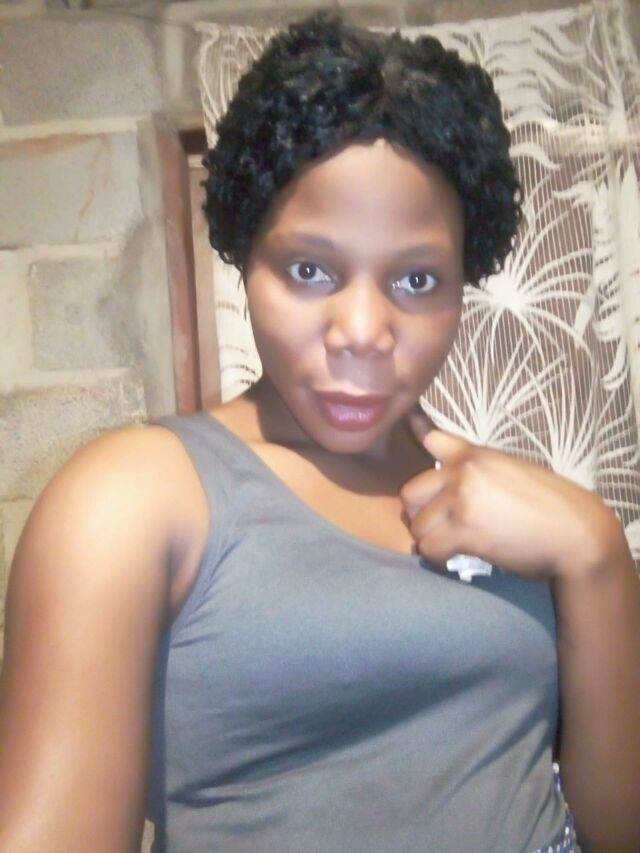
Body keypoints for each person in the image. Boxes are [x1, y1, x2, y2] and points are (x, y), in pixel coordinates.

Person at [0, 12, 638, 853]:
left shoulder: (520, 508)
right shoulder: (135, 497)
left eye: (417, 279)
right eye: (310, 269)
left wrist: (595, 553)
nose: (363, 332)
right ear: (245, 258)